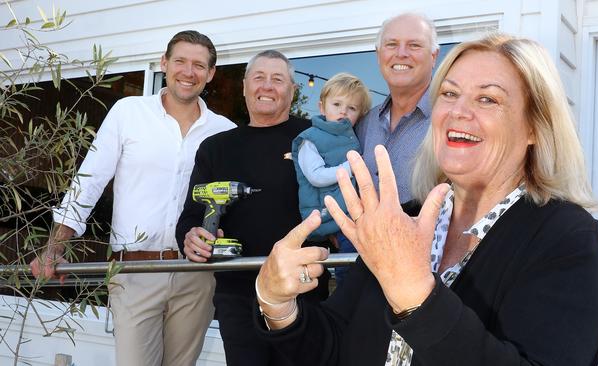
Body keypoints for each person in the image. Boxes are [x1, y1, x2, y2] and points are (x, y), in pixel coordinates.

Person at [253, 33, 598, 366]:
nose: (458, 111)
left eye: (488, 98)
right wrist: (278, 306)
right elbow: (332, 346)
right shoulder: (404, 219)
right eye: (449, 94)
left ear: (535, 126)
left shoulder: (567, 238)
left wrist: (416, 296)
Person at [29, 30, 236, 366]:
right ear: (164, 63)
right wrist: (55, 245)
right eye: (180, 61)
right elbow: (90, 181)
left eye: (199, 65)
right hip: (135, 270)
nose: (189, 71)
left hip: (197, 274)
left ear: (211, 74)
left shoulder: (225, 131)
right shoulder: (129, 112)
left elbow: (228, 200)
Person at [176, 50, 329, 366]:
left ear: (293, 89)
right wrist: (190, 239)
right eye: (259, 78)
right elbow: (191, 216)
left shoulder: (315, 138)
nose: (267, 86)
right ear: (245, 86)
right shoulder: (216, 148)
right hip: (237, 296)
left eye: (278, 79)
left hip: (303, 291)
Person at [291, 72, 371, 285]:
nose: (343, 111)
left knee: (362, 260)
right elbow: (316, 176)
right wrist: (351, 166)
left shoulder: (350, 136)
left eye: (352, 108)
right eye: (337, 104)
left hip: (351, 213)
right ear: (321, 107)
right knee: (350, 265)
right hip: (329, 214)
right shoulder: (309, 140)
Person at [355, 12, 439, 204]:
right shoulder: (364, 123)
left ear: (433, 56)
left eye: (414, 45)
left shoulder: (451, 119)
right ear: (378, 55)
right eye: (392, 44)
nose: (401, 53)